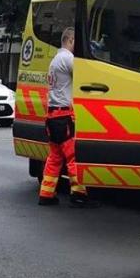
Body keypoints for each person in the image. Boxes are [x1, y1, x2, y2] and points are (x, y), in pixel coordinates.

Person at [39, 27, 96, 208]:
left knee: (55, 157)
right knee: (73, 158)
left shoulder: (55, 60)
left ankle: (46, 195)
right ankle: (78, 194)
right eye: (76, 43)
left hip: (52, 116)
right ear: (70, 40)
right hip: (64, 116)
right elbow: (84, 76)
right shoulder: (68, 59)